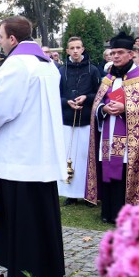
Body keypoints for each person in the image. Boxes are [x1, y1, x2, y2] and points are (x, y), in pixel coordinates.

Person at [0, 16, 65, 277]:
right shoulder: (47, 63)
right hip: (41, 150)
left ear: (12, 39)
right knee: (41, 212)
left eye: (1, 36)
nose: (0, 42)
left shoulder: (15, 65)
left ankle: (24, 274)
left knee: (23, 216)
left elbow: (1, 108)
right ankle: (46, 267)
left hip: (21, 152)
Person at [86, 32, 139, 224]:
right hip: (108, 131)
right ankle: (108, 212)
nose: (115, 56)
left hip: (132, 138)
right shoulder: (108, 79)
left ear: (131, 54)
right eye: (113, 53)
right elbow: (96, 104)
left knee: (123, 171)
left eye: (120, 52)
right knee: (107, 170)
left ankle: (128, 211)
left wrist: (125, 108)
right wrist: (102, 109)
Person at [58, 37, 99, 204]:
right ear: (67, 51)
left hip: (86, 119)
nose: (75, 51)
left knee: (85, 157)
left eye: (78, 48)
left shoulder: (93, 70)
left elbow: (99, 93)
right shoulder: (61, 70)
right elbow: (55, 94)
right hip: (67, 119)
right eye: (72, 48)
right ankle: (70, 193)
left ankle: (88, 192)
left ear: (83, 49)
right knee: (69, 157)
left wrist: (87, 98)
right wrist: (66, 102)